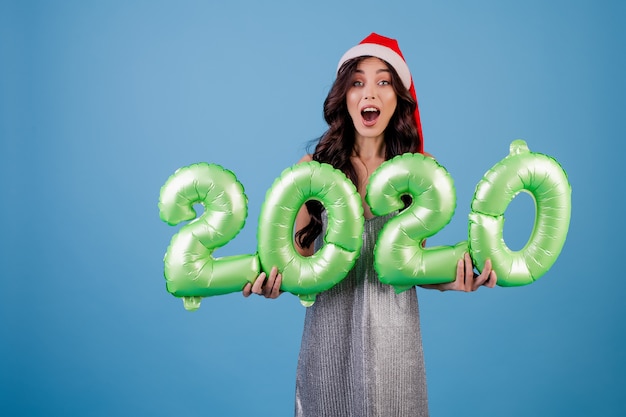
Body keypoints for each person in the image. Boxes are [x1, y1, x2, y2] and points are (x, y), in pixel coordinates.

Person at [243, 33, 497, 417]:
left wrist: (458, 280)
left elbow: (416, 265)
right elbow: (296, 261)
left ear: (399, 98)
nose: (370, 93)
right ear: (344, 96)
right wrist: (272, 286)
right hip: (328, 339)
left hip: (394, 342)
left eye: (383, 82)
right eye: (358, 82)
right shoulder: (312, 171)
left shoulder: (414, 175)